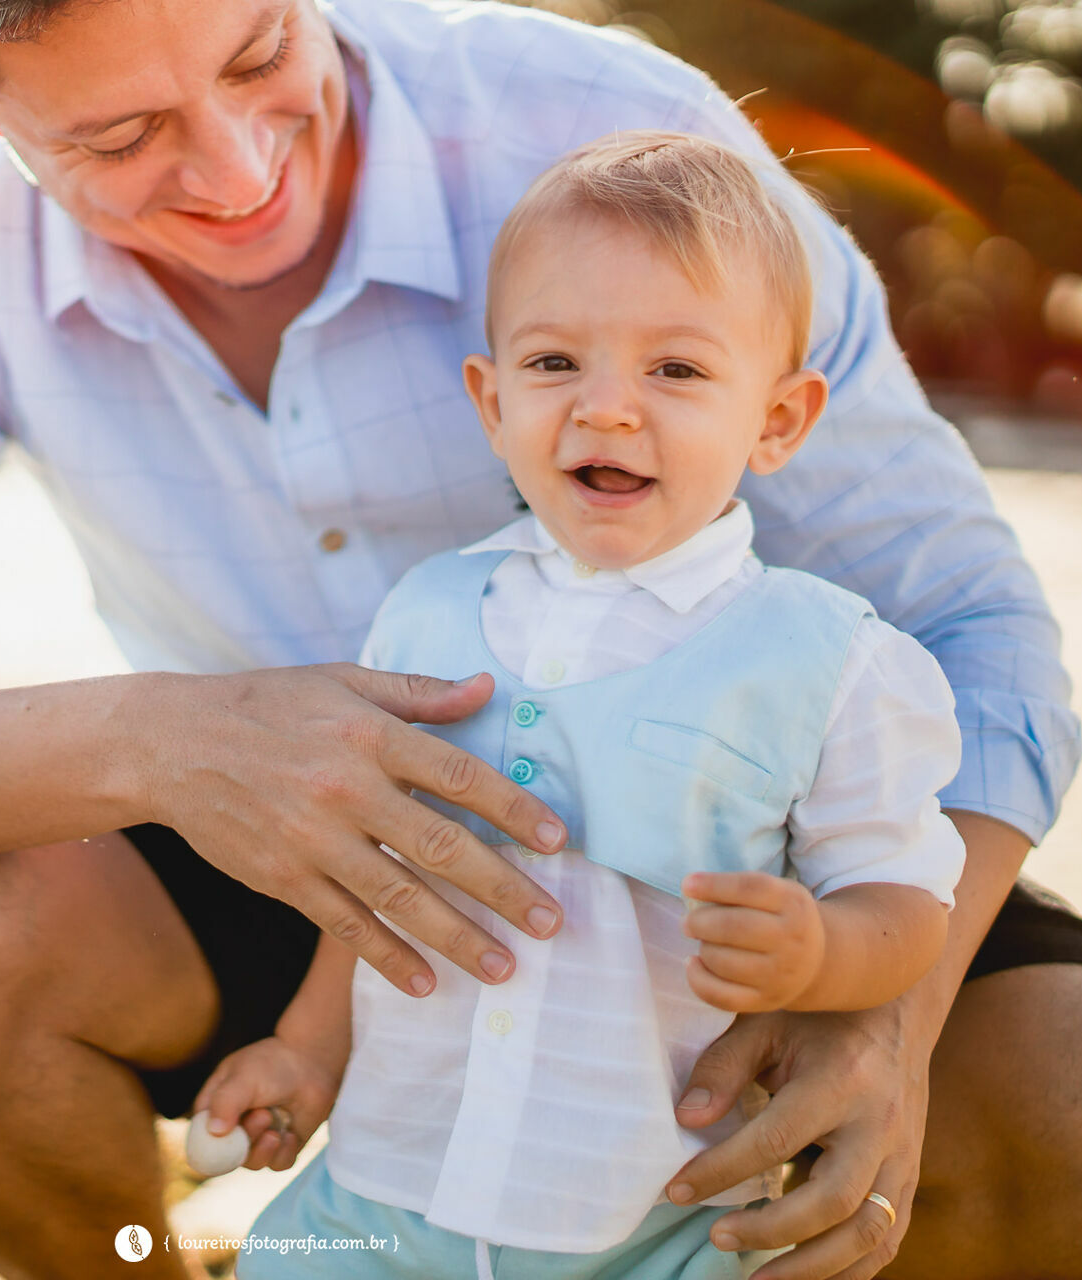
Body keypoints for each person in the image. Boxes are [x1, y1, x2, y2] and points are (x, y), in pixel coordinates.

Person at [0, 0, 1082, 1276]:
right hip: (261, 853)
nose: (240, 168)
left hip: (730, 854)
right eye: (121, 138)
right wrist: (175, 742)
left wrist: (887, 1006)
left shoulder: (607, 133)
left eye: (263, 54)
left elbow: (973, 622)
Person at [199, 130, 968, 1280]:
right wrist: (309, 1051)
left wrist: (821, 954)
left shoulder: (827, 659)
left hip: (650, 1215)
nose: (607, 410)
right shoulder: (426, 613)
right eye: (556, 363)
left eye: (677, 370)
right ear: (491, 396)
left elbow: (906, 906)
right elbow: (372, 876)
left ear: (779, 419)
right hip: (385, 1189)